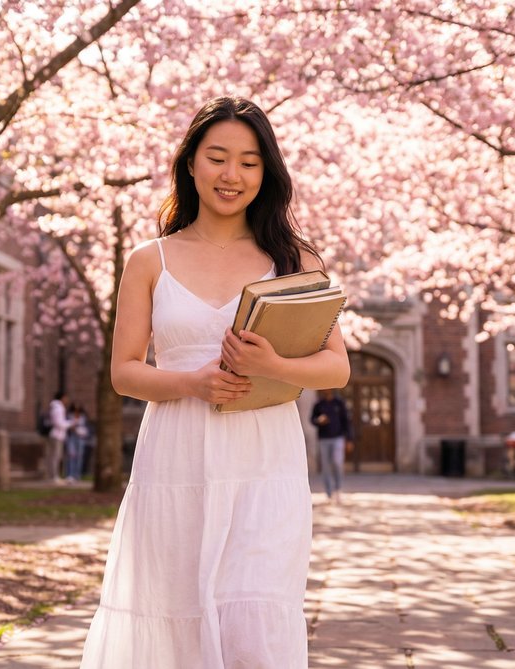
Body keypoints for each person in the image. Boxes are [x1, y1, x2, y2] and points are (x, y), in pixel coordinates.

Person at [80, 96, 350, 668]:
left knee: (255, 618)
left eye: (250, 162)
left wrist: (273, 366)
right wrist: (191, 383)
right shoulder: (148, 261)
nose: (232, 175)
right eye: (218, 158)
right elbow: (125, 373)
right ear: (191, 164)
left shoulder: (295, 259)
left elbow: (337, 367)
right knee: (175, 614)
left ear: (267, 172)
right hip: (176, 458)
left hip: (265, 460)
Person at [311, 389, 352, 504]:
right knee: (326, 466)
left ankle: (338, 489)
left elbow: (346, 422)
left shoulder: (339, 403)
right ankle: (329, 493)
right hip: (324, 439)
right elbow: (312, 420)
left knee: (337, 462)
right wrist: (319, 421)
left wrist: (349, 439)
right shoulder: (318, 404)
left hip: (338, 438)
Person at [46, 391, 70, 484]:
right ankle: (54, 477)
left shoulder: (57, 407)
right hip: (57, 435)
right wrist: (70, 423)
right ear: (62, 397)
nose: (67, 400)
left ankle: (55, 476)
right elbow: (59, 423)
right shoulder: (58, 408)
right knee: (55, 456)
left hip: (58, 435)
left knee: (56, 456)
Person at [65, 405, 90, 483]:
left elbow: (86, 430)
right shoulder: (70, 417)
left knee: (79, 457)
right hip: (72, 438)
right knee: (72, 456)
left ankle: (77, 475)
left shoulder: (83, 418)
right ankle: (70, 475)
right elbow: (68, 427)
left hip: (80, 439)